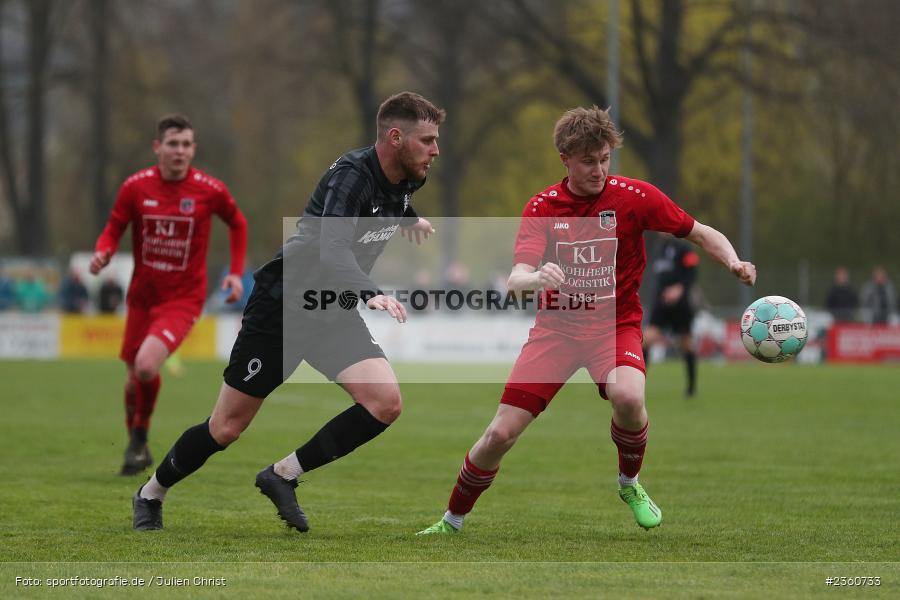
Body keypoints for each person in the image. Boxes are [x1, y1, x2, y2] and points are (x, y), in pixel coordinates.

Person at [417, 106, 755, 535]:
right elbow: (516, 280)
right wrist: (537, 277)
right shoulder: (543, 207)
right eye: (588, 161)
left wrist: (733, 261)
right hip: (556, 332)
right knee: (499, 435)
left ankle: (629, 483)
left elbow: (702, 232)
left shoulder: (634, 197)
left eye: (605, 159)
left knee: (629, 398)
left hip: (615, 327)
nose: (599, 170)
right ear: (565, 159)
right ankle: (451, 520)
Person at [131, 91, 444, 531]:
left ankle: (282, 475)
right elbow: (332, 247)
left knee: (384, 403)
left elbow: (390, 200)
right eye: (427, 140)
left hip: (331, 310)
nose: (435, 150)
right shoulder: (351, 176)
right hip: (283, 306)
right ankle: (150, 494)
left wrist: (411, 218)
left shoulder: (410, 176)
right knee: (225, 428)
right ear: (396, 138)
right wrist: (370, 292)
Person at [90, 114, 248, 476]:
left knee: (146, 365)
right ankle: (138, 443)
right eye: (173, 144)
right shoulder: (135, 187)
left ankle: (137, 440)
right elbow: (113, 229)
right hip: (141, 298)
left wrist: (236, 272)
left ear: (193, 149)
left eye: (186, 144)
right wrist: (103, 251)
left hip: (183, 299)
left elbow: (237, 222)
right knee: (134, 377)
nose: (180, 151)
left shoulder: (209, 189)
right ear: (157, 147)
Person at [642, 236, 700, 397]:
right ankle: (638, 384)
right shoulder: (658, 249)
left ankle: (691, 389)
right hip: (661, 305)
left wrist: (679, 288)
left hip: (681, 306)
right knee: (646, 341)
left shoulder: (684, 248)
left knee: (686, 345)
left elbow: (693, 271)